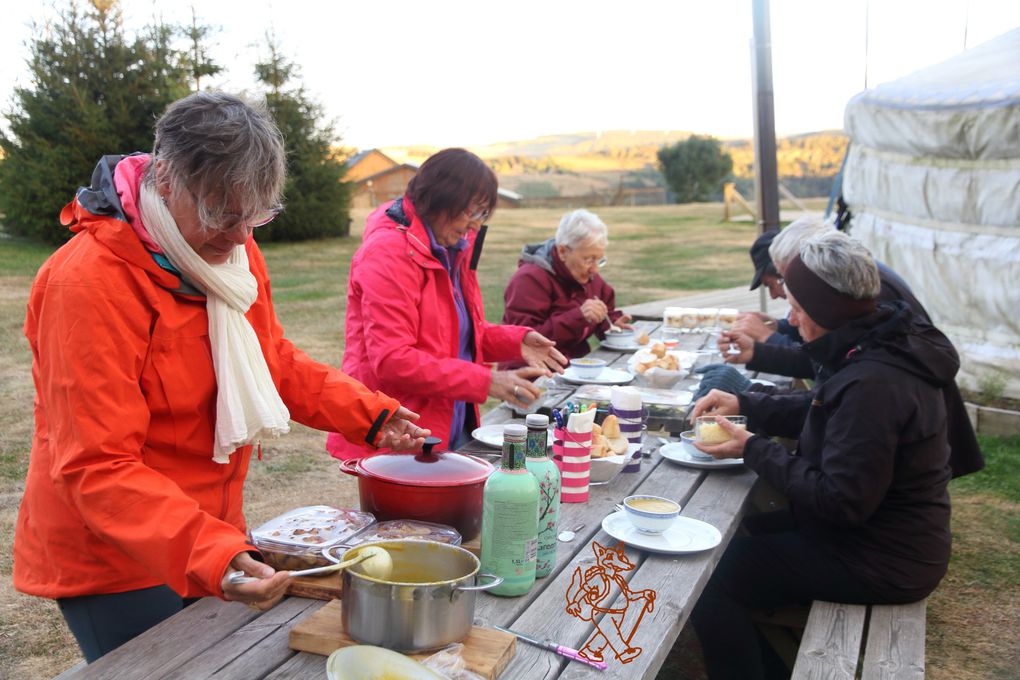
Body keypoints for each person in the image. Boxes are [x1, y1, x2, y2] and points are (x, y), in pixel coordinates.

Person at [12, 92, 429, 663]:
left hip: (207, 530)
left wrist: (370, 415)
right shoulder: (87, 285)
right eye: (221, 214)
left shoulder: (230, 253)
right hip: (112, 559)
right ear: (165, 177)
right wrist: (211, 551)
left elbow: (270, 361)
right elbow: (97, 464)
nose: (239, 237)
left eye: (255, 215)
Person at [689, 231, 955, 679]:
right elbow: (826, 409)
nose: (790, 319)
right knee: (728, 541)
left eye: (796, 308)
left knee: (710, 583)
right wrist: (748, 404)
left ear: (826, 312)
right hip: (883, 539)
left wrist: (752, 447)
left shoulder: (874, 383)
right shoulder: (873, 348)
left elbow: (840, 501)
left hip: (880, 559)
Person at [326, 148, 566, 457]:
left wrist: (517, 341)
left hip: (445, 423)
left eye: (483, 214)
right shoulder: (388, 253)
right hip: (400, 434)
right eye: (472, 212)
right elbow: (393, 360)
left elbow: (457, 334)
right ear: (440, 200)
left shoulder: (453, 249)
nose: (476, 225)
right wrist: (485, 381)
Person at [502, 209, 632, 361]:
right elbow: (526, 339)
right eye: (588, 260)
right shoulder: (529, 279)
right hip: (532, 373)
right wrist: (578, 316)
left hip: (575, 366)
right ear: (562, 251)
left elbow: (605, 313)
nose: (595, 269)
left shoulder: (587, 277)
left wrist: (612, 325)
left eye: (599, 260)